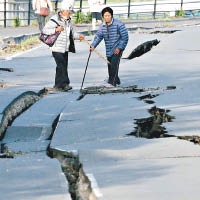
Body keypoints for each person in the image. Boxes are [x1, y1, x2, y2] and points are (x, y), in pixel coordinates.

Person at [42, 0, 84, 91]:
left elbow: (71, 34)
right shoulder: (54, 19)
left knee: (61, 66)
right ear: (64, 11)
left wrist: (78, 36)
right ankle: (65, 84)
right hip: (56, 48)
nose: (70, 14)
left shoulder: (69, 21)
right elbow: (44, 31)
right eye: (69, 12)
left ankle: (58, 85)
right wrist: (56, 30)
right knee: (62, 65)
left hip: (65, 48)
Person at [90, 7, 128, 87]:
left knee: (114, 64)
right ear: (103, 17)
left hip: (118, 48)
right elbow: (98, 37)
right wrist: (93, 46)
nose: (107, 17)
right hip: (109, 49)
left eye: (108, 15)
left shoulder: (119, 24)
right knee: (110, 64)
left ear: (112, 15)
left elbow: (125, 37)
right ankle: (116, 80)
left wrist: (119, 48)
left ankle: (112, 83)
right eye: (105, 16)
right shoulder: (102, 26)